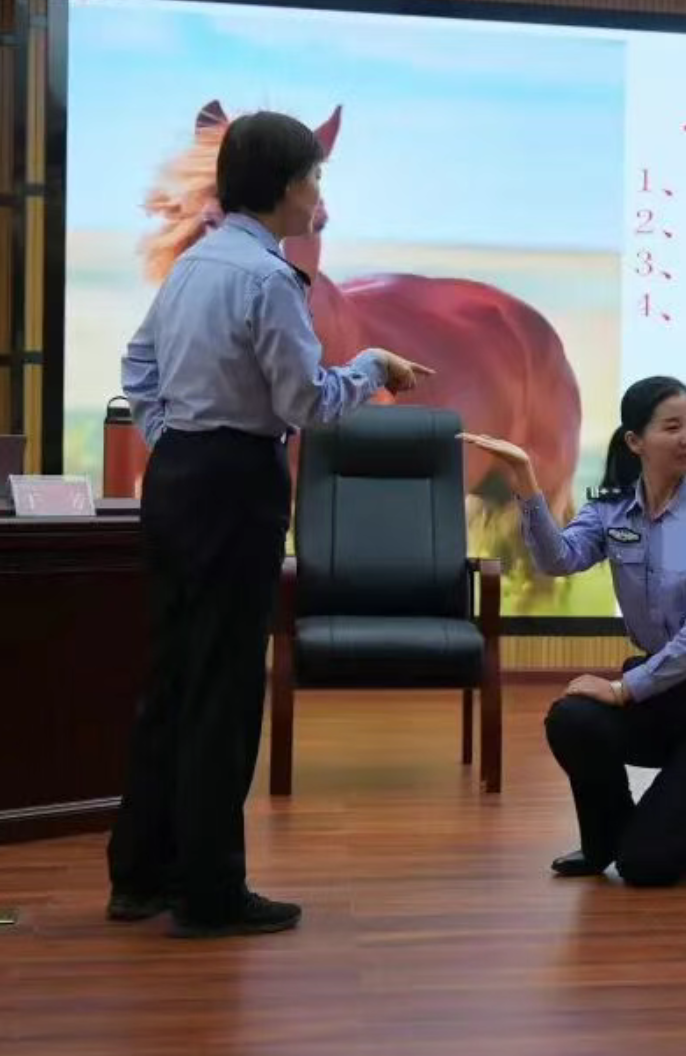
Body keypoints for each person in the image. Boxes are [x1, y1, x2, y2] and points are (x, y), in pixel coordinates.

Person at [105, 110, 432, 937]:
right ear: (287, 187)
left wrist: (171, 434)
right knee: (225, 689)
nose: (320, 194)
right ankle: (210, 893)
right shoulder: (269, 279)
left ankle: (140, 875)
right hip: (236, 483)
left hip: (178, 478)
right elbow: (306, 402)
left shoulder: (194, 265)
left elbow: (138, 366)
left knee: (174, 677)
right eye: (315, 177)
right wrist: (372, 366)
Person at [462, 376, 686, 887]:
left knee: (646, 865)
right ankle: (604, 840)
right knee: (572, 720)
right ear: (635, 441)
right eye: (672, 427)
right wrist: (525, 481)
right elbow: (557, 560)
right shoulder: (611, 509)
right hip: (662, 692)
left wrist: (623, 689)